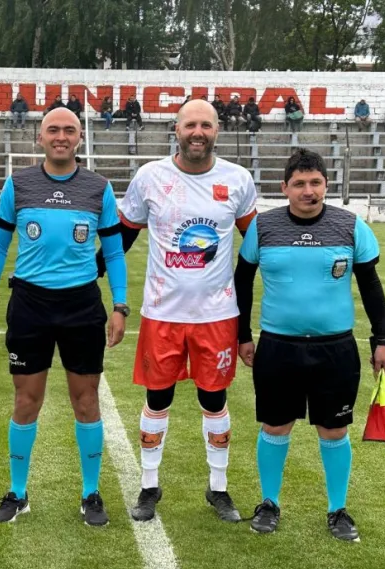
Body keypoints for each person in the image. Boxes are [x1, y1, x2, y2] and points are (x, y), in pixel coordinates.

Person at [233, 149, 385, 542]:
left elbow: (371, 287)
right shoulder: (262, 228)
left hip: (334, 350)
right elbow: (242, 283)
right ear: (284, 187)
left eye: (316, 182)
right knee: (275, 425)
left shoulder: (351, 226)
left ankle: (337, 509)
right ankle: (269, 503)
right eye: (300, 184)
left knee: (334, 430)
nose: (309, 191)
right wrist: (242, 335)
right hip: (278, 347)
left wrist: (381, 339)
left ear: (326, 185)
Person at [111, 99, 258, 523]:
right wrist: (94, 283)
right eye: (190, 124)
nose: (198, 132)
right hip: (163, 314)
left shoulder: (238, 179)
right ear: (176, 129)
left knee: (214, 399)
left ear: (217, 130)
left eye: (206, 125)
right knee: (158, 397)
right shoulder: (150, 177)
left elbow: (256, 246)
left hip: (217, 316)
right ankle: (149, 486)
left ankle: (218, 489)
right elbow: (122, 239)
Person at [0, 107, 128, 527]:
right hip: (30, 304)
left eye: (69, 130)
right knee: (26, 399)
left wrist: (119, 305)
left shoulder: (99, 189)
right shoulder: (19, 184)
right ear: (39, 138)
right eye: (53, 130)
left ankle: (90, 493)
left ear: (80, 137)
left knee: (86, 400)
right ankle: (17, 491)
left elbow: (115, 252)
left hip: (82, 305)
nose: (61, 136)